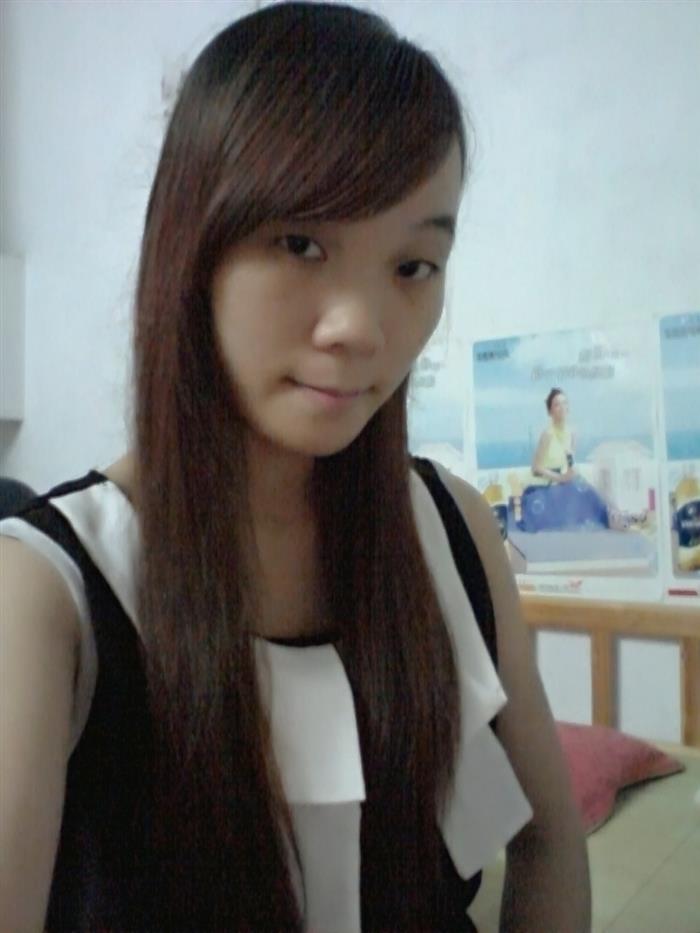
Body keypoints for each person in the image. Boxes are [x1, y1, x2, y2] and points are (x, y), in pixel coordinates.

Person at [0, 3, 590, 930]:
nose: (360, 327)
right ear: (192, 247)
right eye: (301, 244)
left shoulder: (451, 528)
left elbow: (549, 839)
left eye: (413, 265)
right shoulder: (45, 593)